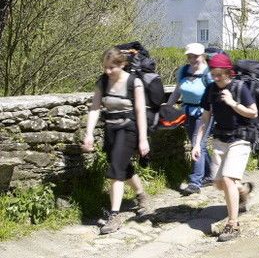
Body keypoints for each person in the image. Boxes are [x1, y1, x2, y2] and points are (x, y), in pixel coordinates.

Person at [82, 47, 152, 234]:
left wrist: (143, 139)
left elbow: (140, 112)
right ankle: (141, 195)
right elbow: (95, 108)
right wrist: (89, 133)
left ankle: (114, 215)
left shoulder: (133, 82)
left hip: (129, 129)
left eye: (112, 67)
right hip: (111, 128)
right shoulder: (102, 81)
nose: (107, 71)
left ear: (122, 64)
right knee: (121, 166)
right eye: (105, 67)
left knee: (115, 170)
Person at [191, 53, 257, 242]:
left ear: (229, 72)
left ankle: (233, 224)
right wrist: (197, 144)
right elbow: (205, 118)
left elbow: (253, 112)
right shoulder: (211, 89)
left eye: (220, 74)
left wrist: (232, 103)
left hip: (241, 137)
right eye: (213, 74)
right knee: (218, 183)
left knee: (227, 179)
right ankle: (242, 190)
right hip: (220, 139)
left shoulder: (240, 87)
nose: (217, 78)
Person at [165, 43, 213, 194]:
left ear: (203, 55)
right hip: (187, 111)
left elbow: (214, 94)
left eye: (195, 56)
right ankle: (211, 174)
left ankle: (195, 182)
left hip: (204, 112)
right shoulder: (184, 70)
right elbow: (177, 92)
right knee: (199, 145)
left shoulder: (208, 73)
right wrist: (167, 107)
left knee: (197, 145)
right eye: (190, 56)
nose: (192, 59)